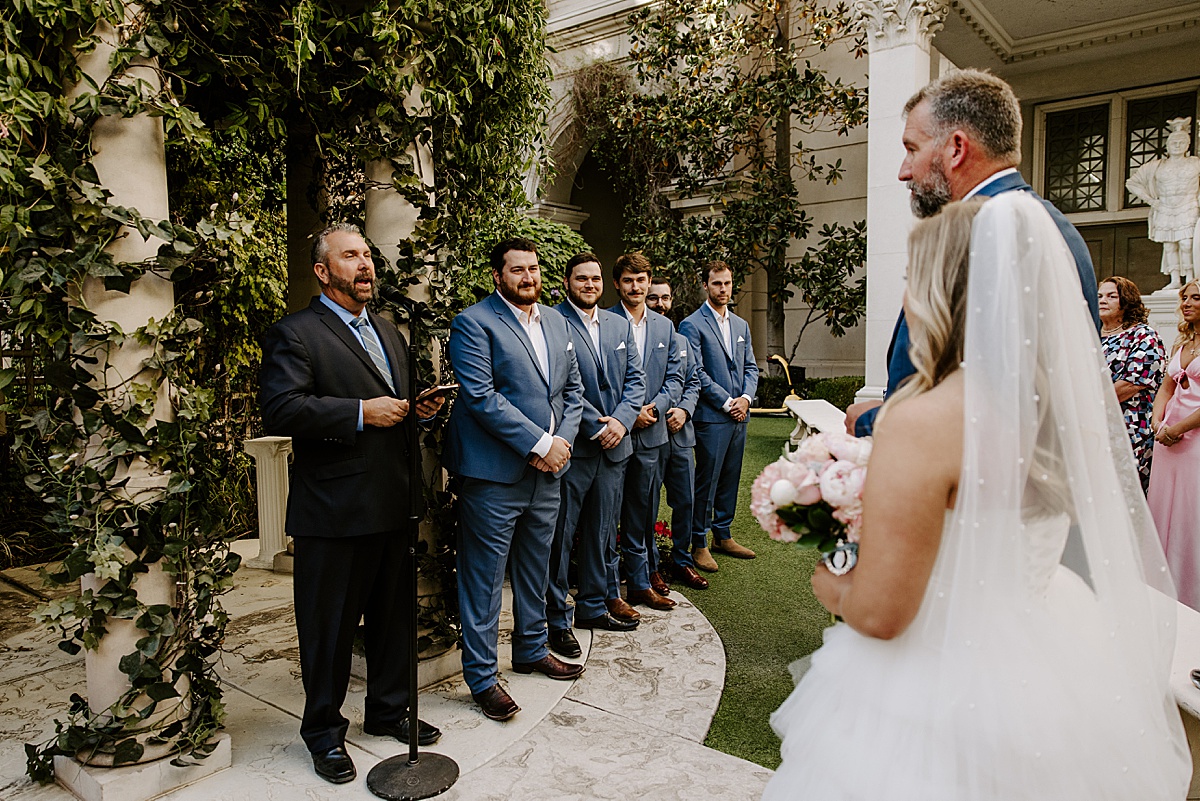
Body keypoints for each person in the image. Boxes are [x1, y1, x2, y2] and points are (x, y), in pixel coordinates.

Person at [765, 195, 1191, 801]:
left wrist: (832, 585)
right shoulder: (1060, 413)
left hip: (937, 682)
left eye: (913, 279)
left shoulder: (926, 419)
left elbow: (882, 615)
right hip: (1052, 664)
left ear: (940, 293)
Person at [259, 223, 447, 784]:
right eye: (351, 255)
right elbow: (283, 410)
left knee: (392, 622)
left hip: (393, 502)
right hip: (334, 512)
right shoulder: (293, 333)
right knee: (329, 630)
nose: (365, 263)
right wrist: (363, 413)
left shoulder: (389, 331)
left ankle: (388, 712)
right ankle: (322, 734)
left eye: (367, 253)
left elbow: (399, 402)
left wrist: (420, 408)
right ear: (323, 271)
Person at [846, 68, 1100, 438]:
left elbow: (995, 405)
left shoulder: (984, 234)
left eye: (911, 149)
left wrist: (873, 421)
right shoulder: (1051, 225)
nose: (903, 172)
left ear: (956, 148)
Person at [442, 237, 585, 723]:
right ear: (498, 276)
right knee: (483, 579)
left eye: (535, 269)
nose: (529, 278)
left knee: (536, 567)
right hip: (492, 475)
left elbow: (572, 392)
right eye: (518, 270)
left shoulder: (558, 321)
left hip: (548, 473)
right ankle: (482, 677)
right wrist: (540, 444)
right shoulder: (474, 323)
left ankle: (531, 648)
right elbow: (481, 398)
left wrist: (559, 445)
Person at [546, 252, 647, 653]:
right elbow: (562, 386)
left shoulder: (618, 324)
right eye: (582, 278)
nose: (590, 284)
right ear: (568, 281)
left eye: (595, 278)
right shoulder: (553, 322)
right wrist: (596, 425)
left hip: (615, 448)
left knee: (601, 534)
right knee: (561, 537)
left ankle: (591, 605)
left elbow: (636, 381)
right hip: (577, 450)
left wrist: (622, 421)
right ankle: (556, 618)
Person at [608, 254, 684, 609]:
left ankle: (640, 583)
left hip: (652, 433)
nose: (635, 287)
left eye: (641, 280)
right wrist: (628, 415)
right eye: (628, 280)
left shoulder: (665, 327)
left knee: (641, 514)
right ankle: (610, 590)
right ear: (618, 284)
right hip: (615, 434)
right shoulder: (605, 321)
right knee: (607, 516)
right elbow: (599, 381)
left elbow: (675, 378)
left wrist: (655, 408)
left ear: (648, 281)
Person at [680, 261, 760, 569]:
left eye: (727, 283)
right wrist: (728, 402)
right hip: (713, 417)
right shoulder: (692, 324)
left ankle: (722, 534)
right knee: (707, 481)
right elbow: (696, 372)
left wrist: (745, 399)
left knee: (730, 477)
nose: (723, 289)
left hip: (740, 416)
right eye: (717, 284)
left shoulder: (740, 325)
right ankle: (698, 542)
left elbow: (751, 367)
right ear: (705, 286)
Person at [647, 280, 710, 590]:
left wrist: (684, 410)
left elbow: (694, 382)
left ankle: (682, 562)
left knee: (686, 501)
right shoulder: (637, 339)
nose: (660, 303)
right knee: (646, 504)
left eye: (665, 298)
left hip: (681, 435)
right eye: (653, 298)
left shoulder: (682, 341)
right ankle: (651, 566)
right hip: (649, 436)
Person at [1148, 280, 1200, 610]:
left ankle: (1188, 593)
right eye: (1185, 297)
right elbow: (1166, 387)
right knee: (1163, 509)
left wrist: (1178, 428)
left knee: (1189, 514)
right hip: (1168, 441)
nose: (1187, 302)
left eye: (1195, 297)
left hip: (1193, 440)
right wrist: (1157, 420)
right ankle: (1159, 588)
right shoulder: (1182, 340)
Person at [1098, 276, 1164, 492]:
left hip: (1130, 428)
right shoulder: (1090, 336)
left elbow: (1130, 385)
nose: (1102, 300)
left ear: (1126, 302)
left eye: (1111, 296)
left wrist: (1084, 400)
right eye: (1099, 296)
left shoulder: (1144, 336)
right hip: (1093, 427)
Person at [1126, 117, 1200, 289]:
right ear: (1167, 144)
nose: (1177, 145)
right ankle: (1175, 280)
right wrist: (1151, 200)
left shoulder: (1195, 163)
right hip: (1165, 207)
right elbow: (1132, 183)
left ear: (1187, 145)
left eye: (1182, 142)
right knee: (1169, 245)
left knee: (1186, 243)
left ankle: (1190, 279)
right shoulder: (1156, 166)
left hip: (1188, 205)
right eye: (1174, 141)